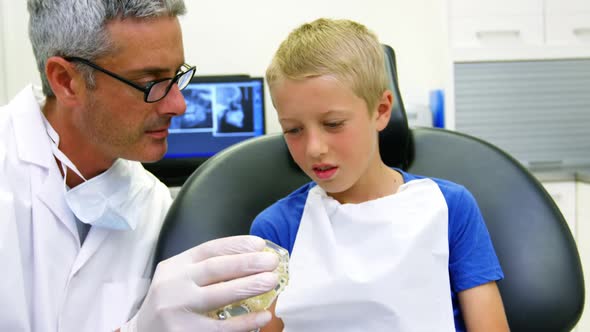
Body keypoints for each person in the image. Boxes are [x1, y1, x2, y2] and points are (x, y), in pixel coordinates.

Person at [0, 1, 279, 331]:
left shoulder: (154, 204)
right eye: (150, 82)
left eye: (177, 76)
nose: (179, 105)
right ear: (66, 81)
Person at [250, 18, 510, 331]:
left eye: (333, 124)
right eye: (293, 130)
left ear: (381, 110)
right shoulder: (278, 229)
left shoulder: (449, 207)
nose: (314, 148)